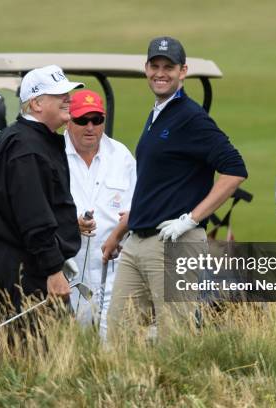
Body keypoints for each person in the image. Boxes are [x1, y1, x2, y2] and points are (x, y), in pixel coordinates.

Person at [106, 37, 248, 339]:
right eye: (155, 66)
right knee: (118, 333)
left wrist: (192, 218)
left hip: (176, 243)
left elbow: (235, 170)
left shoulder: (191, 117)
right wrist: (120, 232)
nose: (161, 73)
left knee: (175, 338)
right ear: (146, 69)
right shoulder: (158, 113)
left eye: (168, 67)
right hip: (138, 243)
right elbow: (153, 187)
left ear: (183, 71)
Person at [0, 65, 83, 311]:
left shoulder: (26, 139)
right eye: (59, 94)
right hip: (23, 262)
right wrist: (53, 267)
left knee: (28, 344)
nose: (68, 98)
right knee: (49, 343)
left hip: (19, 257)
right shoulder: (27, 147)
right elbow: (33, 215)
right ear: (36, 103)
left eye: (68, 93)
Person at [64, 90, 136, 337]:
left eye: (97, 120)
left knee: (113, 341)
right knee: (73, 343)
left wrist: (122, 229)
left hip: (114, 266)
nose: (90, 127)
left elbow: (136, 206)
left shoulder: (121, 156)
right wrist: (70, 224)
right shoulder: (53, 155)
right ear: (68, 120)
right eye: (82, 120)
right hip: (69, 268)